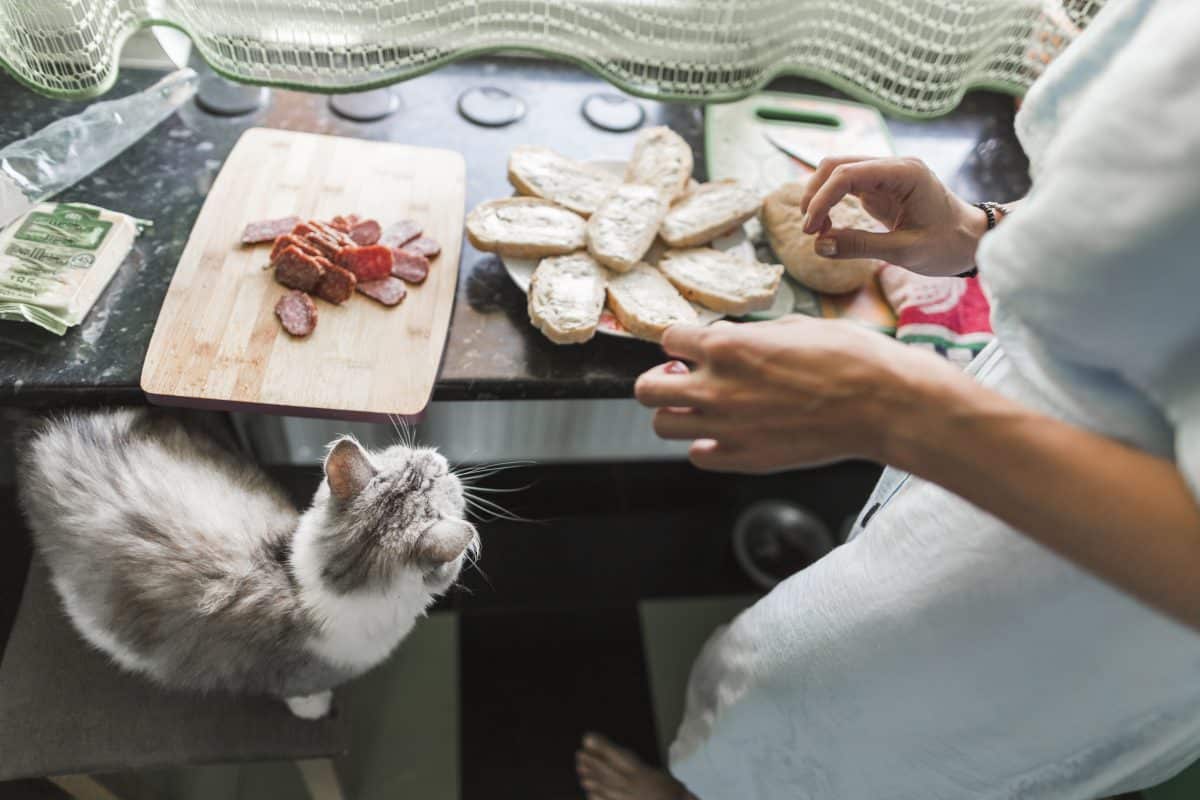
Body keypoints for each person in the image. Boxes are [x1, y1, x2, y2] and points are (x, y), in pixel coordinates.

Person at [576, 0, 1200, 797]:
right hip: (993, 469)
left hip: (1102, 612)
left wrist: (900, 409)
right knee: (785, 705)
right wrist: (981, 234)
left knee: (855, 749)